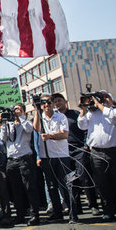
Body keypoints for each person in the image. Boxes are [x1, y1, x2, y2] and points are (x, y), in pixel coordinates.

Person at [78, 90, 116, 221]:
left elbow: (113, 116)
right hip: (97, 153)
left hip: (114, 151)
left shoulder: (115, 111)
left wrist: (102, 104)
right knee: (102, 183)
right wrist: (83, 109)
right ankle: (108, 210)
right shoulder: (91, 114)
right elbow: (82, 126)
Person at [52, 93, 100, 216]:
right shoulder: (54, 117)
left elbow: (85, 129)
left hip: (79, 149)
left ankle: (93, 205)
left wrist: (85, 145)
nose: (57, 103)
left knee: (85, 178)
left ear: (65, 101)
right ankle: (76, 207)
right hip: (63, 151)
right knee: (70, 181)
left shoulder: (75, 114)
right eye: (55, 101)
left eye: (59, 100)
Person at [33, 95, 78, 223]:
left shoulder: (60, 117)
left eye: (48, 102)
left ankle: (72, 213)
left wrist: (51, 136)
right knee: (51, 186)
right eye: (43, 103)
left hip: (61, 155)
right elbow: (36, 128)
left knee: (65, 185)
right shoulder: (40, 117)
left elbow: (65, 134)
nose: (46, 105)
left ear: (53, 104)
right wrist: (37, 110)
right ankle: (57, 212)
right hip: (47, 156)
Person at [0, 103, 40, 226]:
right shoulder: (9, 125)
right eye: (14, 110)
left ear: (23, 111)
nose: (15, 112)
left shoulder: (25, 123)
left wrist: (20, 117)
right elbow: (3, 138)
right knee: (15, 190)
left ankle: (35, 215)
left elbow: (30, 129)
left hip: (24, 159)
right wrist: (4, 123)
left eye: (18, 109)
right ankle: (20, 215)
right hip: (12, 161)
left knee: (29, 188)